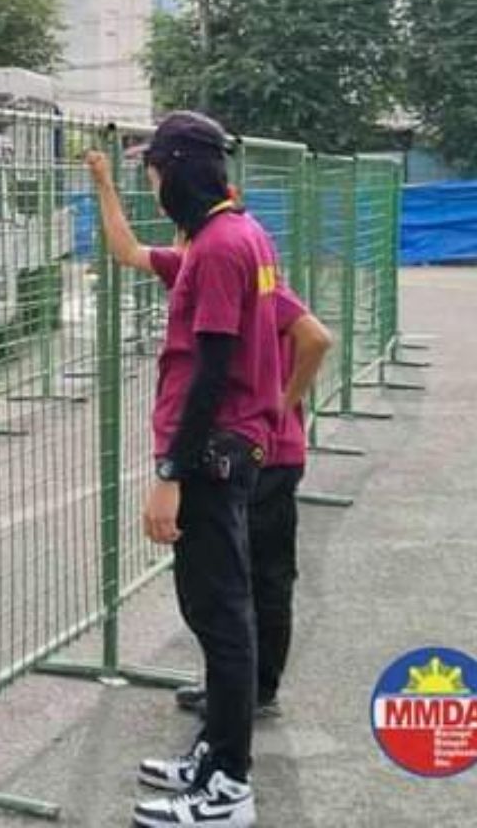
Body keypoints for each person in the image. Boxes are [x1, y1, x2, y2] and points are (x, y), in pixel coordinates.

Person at [85, 149, 333, 723]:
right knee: (234, 580)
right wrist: (103, 184)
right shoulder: (209, 255)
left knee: (252, 581)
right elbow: (126, 251)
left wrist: (277, 407)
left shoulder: (229, 258)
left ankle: (252, 698)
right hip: (250, 442)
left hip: (261, 449)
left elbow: (315, 338)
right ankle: (234, 693)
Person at [88, 113, 286, 828]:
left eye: (154, 168)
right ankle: (215, 752)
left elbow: (211, 370)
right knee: (212, 611)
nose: (152, 180)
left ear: (181, 168)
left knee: (224, 617)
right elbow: (132, 253)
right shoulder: (236, 235)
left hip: (210, 451)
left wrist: (171, 468)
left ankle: (229, 784)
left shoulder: (222, 246)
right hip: (225, 445)